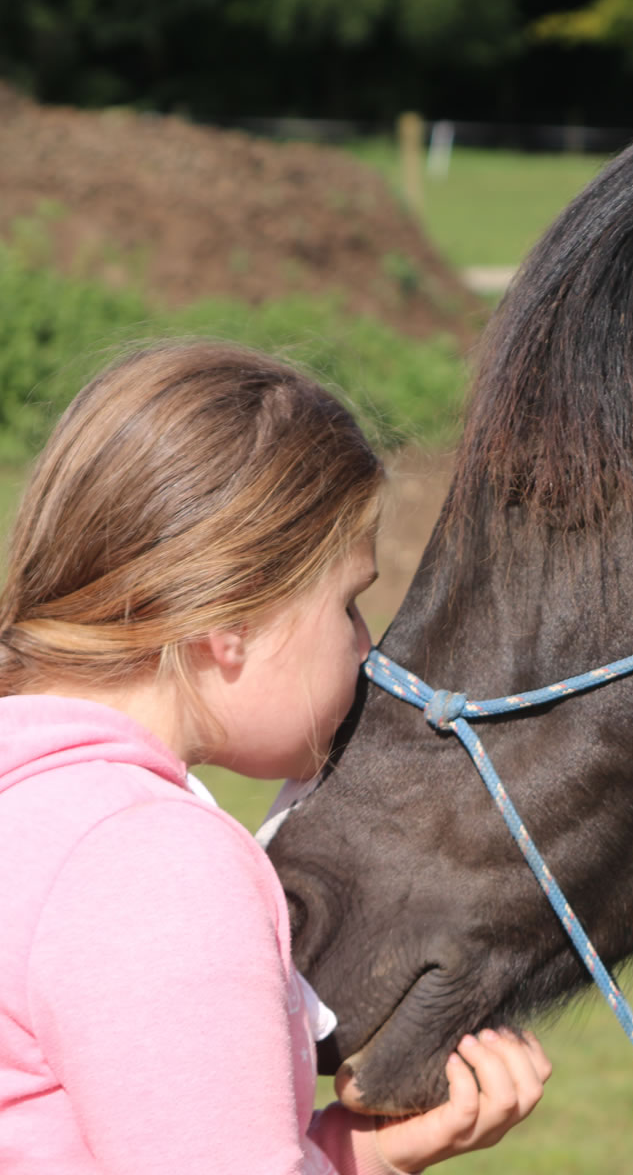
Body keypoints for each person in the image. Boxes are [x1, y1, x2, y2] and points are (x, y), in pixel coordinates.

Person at [0, 340, 551, 1174]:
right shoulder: (149, 864)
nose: (367, 652)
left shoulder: (34, 814)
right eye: (350, 605)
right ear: (231, 619)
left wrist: (355, 1154)